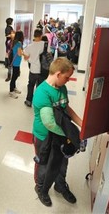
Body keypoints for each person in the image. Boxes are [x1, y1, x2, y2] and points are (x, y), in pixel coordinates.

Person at [32, 57, 82, 207]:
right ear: (58, 74)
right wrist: (72, 135)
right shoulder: (42, 93)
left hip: (60, 134)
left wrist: (81, 124)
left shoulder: (62, 88)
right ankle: (41, 189)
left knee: (62, 162)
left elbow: (66, 108)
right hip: (45, 137)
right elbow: (49, 123)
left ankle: (60, 185)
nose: (68, 80)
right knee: (45, 165)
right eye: (67, 77)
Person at [23, 29, 45, 106]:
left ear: (34, 36)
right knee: (40, 87)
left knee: (31, 85)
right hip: (43, 69)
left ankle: (29, 101)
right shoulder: (45, 44)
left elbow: (25, 58)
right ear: (41, 36)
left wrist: (29, 58)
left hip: (33, 70)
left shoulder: (29, 46)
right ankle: (38, 103)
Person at [9, 30, 25, 99]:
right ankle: (11, 91)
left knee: (15, 75)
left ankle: (14, 87)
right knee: (14, 76)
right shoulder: (19, 43)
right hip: (16, 62)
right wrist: (24, 53)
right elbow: (19, 53)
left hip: (15, 62)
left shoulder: (14, 42)